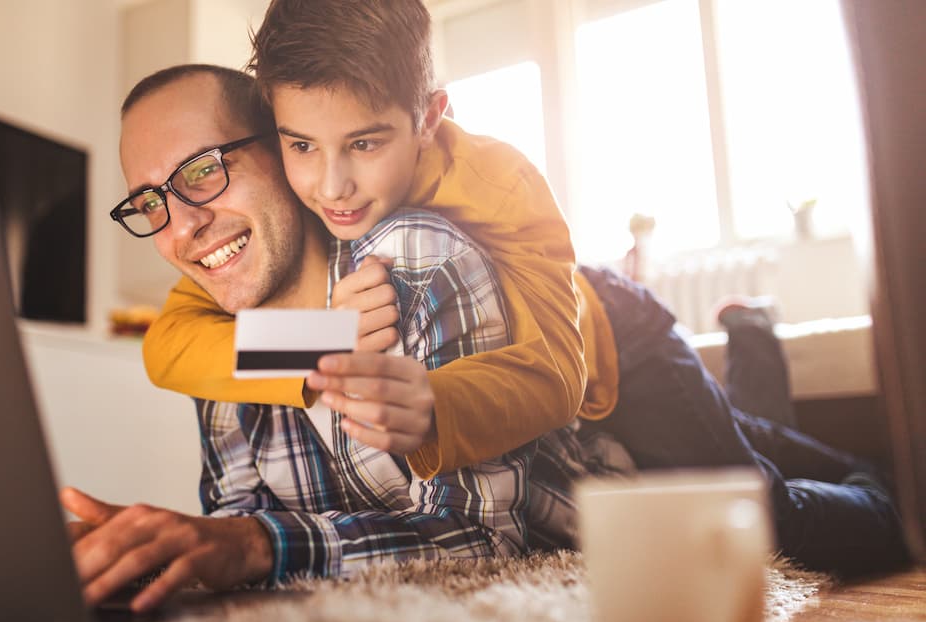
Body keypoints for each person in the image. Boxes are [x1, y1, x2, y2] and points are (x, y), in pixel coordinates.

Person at [134, 0, 910, 580]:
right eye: (302, 145)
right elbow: (167, 347)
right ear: (279, 129)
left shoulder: (495, 183)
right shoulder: (263, 224)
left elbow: (556, 375)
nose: (332, 184)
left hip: (609, 344)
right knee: (730, 440)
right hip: (557, 410)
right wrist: (318, 341)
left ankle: (886, 483)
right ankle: (752, 352)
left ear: (429, 118)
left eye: (366, 144)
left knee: (755, 511)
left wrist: (437, 404)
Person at [67, 65, 629, 614]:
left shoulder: (418, 250)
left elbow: (482, 541)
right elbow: (242, 524)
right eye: (148, 203)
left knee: (707, 449)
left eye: (201, 171)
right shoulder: (216, 324)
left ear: (285, 151)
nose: (182, 227)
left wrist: (252, 546)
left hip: (608, 342)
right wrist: (149, 550)